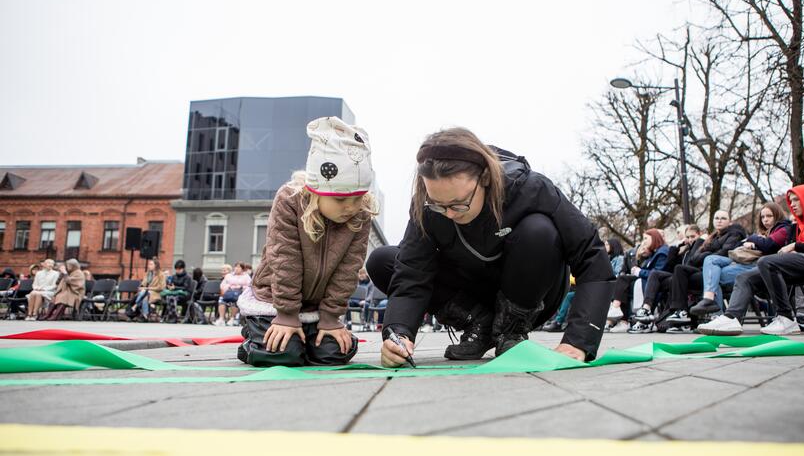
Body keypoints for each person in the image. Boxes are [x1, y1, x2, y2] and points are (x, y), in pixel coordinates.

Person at [366, 127, 613, 367]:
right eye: (439, 204)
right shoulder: (427, 206)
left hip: (531, 288)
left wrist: (578, 341)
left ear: (484, 178)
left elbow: (591, 255)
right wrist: (398, 333)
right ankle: (478, 325)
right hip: (474, 289)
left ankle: (511, 329)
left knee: (539, 229)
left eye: (458, 204)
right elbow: (412, 271)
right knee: (384, 260)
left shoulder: (532, 189)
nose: (449, 214)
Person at [236, 116, 377, 367]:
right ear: (316, 191)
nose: (350, 208)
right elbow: (285, 259)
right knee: (284, 354)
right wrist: (287, 315)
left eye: (357, 198)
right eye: (340, 200)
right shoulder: (290, 200)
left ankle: (305, 340)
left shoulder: (360, 212)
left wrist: (331, 318)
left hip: (316, 308)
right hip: (274, 301)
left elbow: (349, 268)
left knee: (333, 354)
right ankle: (252, 338)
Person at [699, 185, 804, 336]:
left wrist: (796, 246)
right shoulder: (796, 227)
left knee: (766, 262)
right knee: (744, 277)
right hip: (795, 267)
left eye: (797, 200)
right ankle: (731, 318)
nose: (793, 204)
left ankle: (786, 317)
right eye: (791, 200)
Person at [690, 202, 790, 316]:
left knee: (712, 273)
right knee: (711, 266)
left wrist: (754, 239)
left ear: (777, 215)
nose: (765, 220)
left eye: (769, 216)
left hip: (761, 267)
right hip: (746, 262)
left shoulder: (783, 228)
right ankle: (711, 305)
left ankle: (716, 314)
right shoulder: (763, 233)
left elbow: (768, 245)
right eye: (762, 217)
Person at [664, 210, 746, 330]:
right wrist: (708, 253)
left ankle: (714, 314)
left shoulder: (734, 234)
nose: (719, 220)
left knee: (683, 274)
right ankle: (681, 310)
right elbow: (694, 259)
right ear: (713, 221)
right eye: (717, 218)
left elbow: (725, 253)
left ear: (729, 222)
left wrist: (707, 254)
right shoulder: (712, 237)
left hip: (722, 269)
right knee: (679, 270)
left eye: (723, 218)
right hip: (705, 269)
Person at [629, 225, 704, 333]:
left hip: (692, 275)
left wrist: (699, 240)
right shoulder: (683, 249)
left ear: (699, 234)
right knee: (654, 274)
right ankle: (646, 309)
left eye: (693, 236)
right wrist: (676, 247)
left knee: (656, 275)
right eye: (688, 237)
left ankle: (677, 313)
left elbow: (693, 262)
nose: (689, 239)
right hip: (678, 276)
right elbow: (669, 266)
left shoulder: (701, 244)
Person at [606, 229, 668, 332]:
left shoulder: (662, 252)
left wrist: (639, 271)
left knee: (625, 282)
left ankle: (622, 314)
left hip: (654, 281)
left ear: (654, 238)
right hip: (647, 278)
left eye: (646, 238)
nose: (644, 241)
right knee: (623, 281)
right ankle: (618, 312)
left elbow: (656, 273)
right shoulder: (655, 252)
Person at [125, 257, 165, 322]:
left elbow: (161, 287)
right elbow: (143, 283)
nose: (149, 266)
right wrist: (141, 287)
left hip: (156, 293)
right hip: (146, 293)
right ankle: (144, 315)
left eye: (151, 264)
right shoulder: (148, 273)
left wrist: (148, 288)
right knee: (144, 296)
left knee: (145, 294)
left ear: (156, 265)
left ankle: (135, 306)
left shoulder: (161, 274)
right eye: (149, 264)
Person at [214, 261, 250, 326]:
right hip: (229, 292)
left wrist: (239, 287)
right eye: (235, 267)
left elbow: (249, 286)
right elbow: (223, 285)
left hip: (240, 294)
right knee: (221, 300)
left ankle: (232, 318)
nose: (236, 268)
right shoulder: (229, 276)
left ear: (242, 268)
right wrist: (229, 287)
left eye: (238, 267)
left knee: (235, 301)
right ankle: (221, 319)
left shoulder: (246, 276)